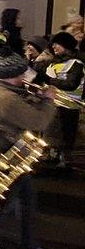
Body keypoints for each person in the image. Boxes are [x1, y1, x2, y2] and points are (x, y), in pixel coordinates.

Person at [0, 53, 62, 249]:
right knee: (1, 203)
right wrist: (49, 101)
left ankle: (30, 247)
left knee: (23, 199)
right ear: (10, 75)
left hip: (9, 155)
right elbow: (39, 121)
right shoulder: (4, 97)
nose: (26, 76)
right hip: (7, 157)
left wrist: (36, 97)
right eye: (22, 72)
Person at [43, 32, 83, 168]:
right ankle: (53, 153)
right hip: (53, 103)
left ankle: (65, 158)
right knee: (53, 131)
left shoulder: (76, 64)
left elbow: (71, 84)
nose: (53, 46)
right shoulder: (53, 63)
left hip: (69, 105)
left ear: (66, 45)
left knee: (67, 133)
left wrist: (50, 81)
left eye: (57, 44)